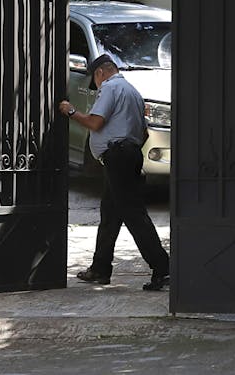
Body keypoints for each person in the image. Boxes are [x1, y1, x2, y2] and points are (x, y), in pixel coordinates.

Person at [59, 53, 170, 291]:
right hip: (126, 155)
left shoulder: (110, 88)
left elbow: (95, 122)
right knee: (110, 214)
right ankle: (100, 268)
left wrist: (70, 112)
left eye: (95, 80)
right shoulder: (133, 92)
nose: (96, 85)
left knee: (133, 214)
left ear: (100, 73)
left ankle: (163, 267)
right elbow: (144, 134)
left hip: (118, 157)